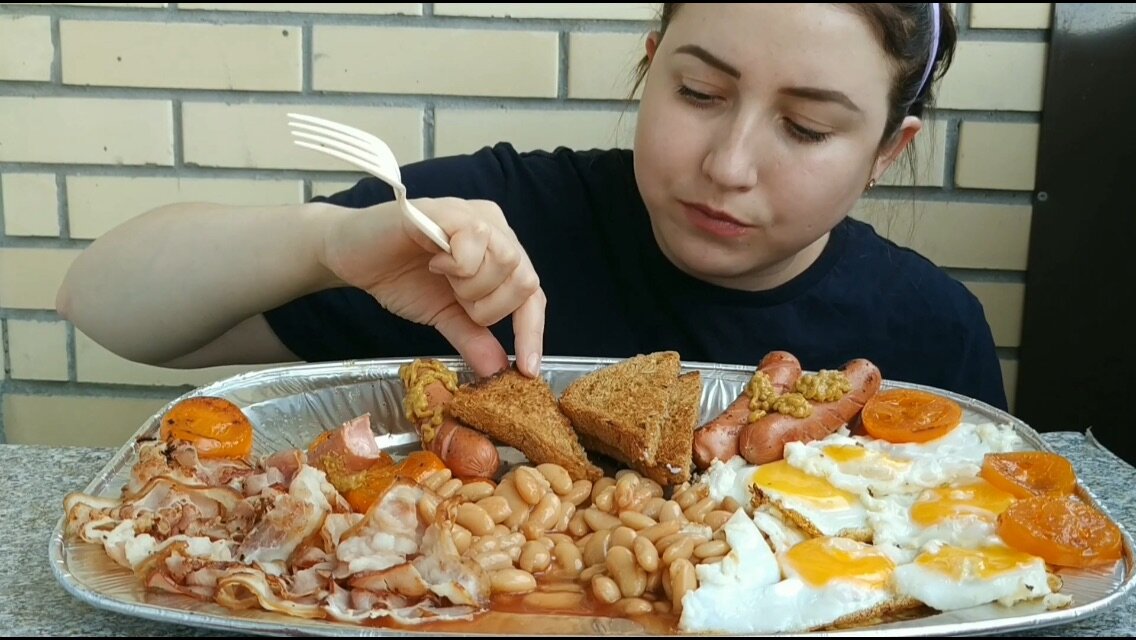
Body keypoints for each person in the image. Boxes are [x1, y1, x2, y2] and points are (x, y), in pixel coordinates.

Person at [56, 3, 1009, 411]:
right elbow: (100, 305)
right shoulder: (503, 215)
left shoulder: (930, 332)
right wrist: (327, 243)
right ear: (650, 66)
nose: (728, 165)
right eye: (699, 95)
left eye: (804, 129)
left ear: (889, 151)